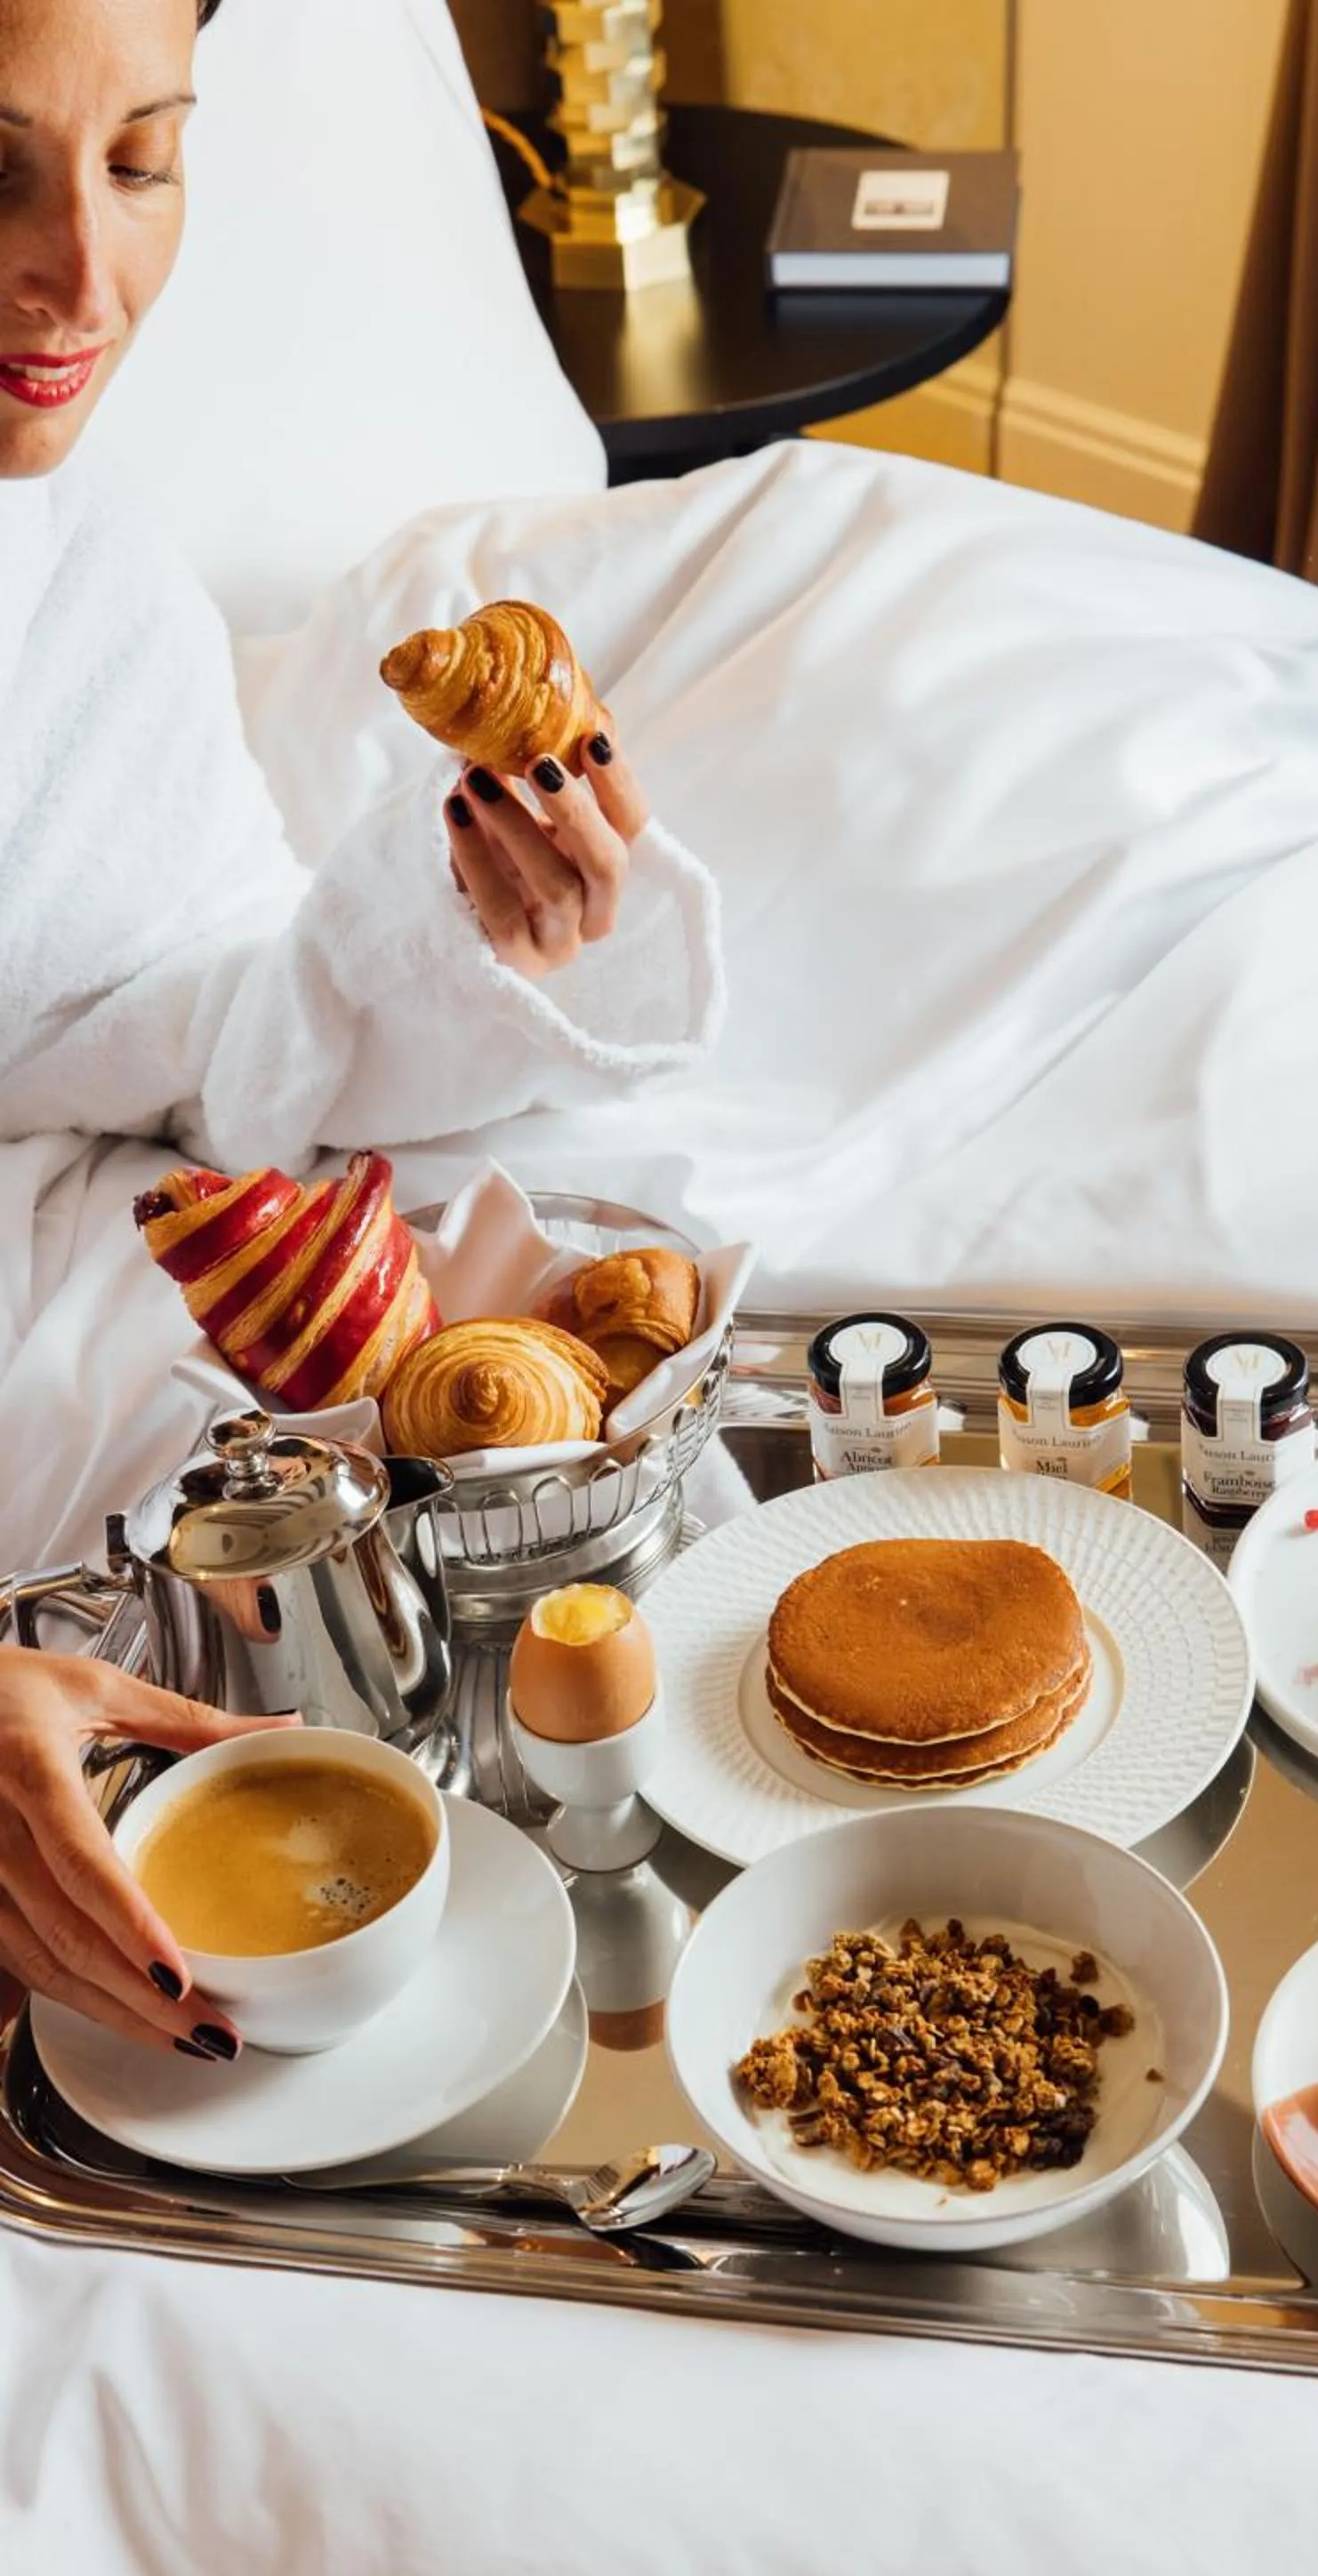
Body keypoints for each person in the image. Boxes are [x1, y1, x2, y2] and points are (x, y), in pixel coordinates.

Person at [0, 0, 721, 2050]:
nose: (82, 278)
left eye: (143, 159)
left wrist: (452, 942)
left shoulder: (72, 574)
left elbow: (142, 1010)